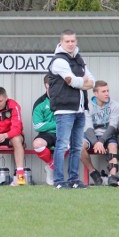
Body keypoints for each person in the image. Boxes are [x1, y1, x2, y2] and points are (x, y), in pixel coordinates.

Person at [48, 30, 94, 189]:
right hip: (64, 110)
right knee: (61, 146)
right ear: (61, 43)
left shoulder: (79, 60)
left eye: (73, 41)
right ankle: (59, 181)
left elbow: (92, 81)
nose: (70, 44)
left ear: (76, 41)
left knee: (76, 146)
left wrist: (80, 81)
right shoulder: (58, 61)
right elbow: (71, 82)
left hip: (79, 110)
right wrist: (82, 82)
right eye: (67, 41)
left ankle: (74, 180)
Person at [81, 80, 119, 186]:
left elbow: (112, 126)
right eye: (103, 91)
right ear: (95, 93)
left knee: (113, 146)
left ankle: (112, 177)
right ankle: (94, 173)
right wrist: (96, 142)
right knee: (79, 146)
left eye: (107, 91)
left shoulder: (115, 106)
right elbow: (88, 127)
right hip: (91, 135)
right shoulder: (87, 106)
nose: (107, 94)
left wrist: (101, 141)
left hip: (108, 135)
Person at [32, 75, 57, 186]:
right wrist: (57, 124)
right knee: (37, 144)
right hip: (46, 134)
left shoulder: (64, 100)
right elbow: (37, 126)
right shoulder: (39, 103)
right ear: (46, 85)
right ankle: (51, 165)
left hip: (63, 133)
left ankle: (51, 168)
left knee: (71, 144)